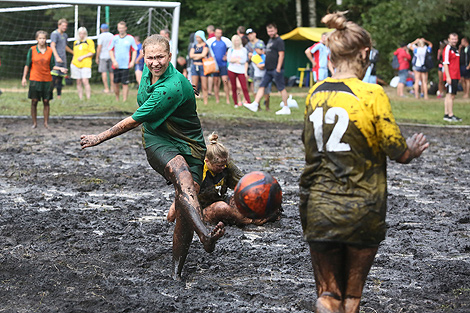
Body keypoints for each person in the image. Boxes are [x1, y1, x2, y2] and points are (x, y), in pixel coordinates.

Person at [299, 12, 429, 313]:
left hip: (320, 207)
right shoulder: (372, 93)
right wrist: (412, 149)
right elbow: (397, 151)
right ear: (365, 53)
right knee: (352, 298)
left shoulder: (314, 94)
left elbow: (310, 151)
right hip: (364, 209)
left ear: (330, 56)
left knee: (328, 295)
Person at [80, 34, 225, 279]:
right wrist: (98, 137)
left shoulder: (171, 86)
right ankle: (205, 234)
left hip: (192, 146)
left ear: (170, 57)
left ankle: (177, 271)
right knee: (183, 178)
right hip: (159, 140)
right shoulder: (154, 75)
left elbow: (134, 119)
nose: (155, 62)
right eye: (150, 57)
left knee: (184, 203)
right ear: (144, 57)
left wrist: (99, 137)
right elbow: (138, 119)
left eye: (160, 57)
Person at [167, 133, 280, 226]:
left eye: (224, 164)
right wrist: (171, 219)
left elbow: (246, 185)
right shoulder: (197, 172)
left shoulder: (227, 167)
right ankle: (251, 221)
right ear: (207, 161)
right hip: (202, 211)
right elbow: (181, 196)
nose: (223, 168)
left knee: (237, 200)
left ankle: (259, 216)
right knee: (221, 207)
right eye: (219, 165)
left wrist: (270, 201)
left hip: (221, 201)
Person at [21, 30, 67, 128]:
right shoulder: (32, 50)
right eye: (40, 38)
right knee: (34, 101)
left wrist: (60, 68)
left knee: (46, 101)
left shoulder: (50, 51)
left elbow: (52, 66)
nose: (42, 40)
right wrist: (24, 77)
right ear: (37, 39)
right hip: (34, 79)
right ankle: (34, 123)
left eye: (44, 38)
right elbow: (27, 65)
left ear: (46, 39)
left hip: (47, 80)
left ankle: (46, 123)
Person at [244, 23, 290, 115]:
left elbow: (281, 55)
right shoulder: (270, 40)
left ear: (276, 30)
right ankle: (255, 104)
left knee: (281, 88)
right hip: (268, 69)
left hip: (276, 69)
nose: (270, 33)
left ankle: (286, 107)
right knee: (262, 86)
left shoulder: (279, 41)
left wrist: (278, 68)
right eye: (269, 31)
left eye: (272, 31)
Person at [109, 21, 137, 102]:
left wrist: (132, 61)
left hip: (126, 65)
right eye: (119, 28)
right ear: (118, 29)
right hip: (116, 65)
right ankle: (117, 98)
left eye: (122, 28)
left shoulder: (130, 38)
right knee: (116, 83)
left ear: (125, 28)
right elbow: (110, 50)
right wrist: (114, 61)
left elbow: (134, 50)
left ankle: (124, 100)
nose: (121, 30)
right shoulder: (114, 38)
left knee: (125, 83)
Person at [206, 27, 232, 104]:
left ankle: (227, 99)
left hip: (223, 64)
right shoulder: (211, 41)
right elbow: (207, 49)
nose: (219, 34)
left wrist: (227, 55)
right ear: (215, 33)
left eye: (220, 33)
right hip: (215, 65)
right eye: (217, 33)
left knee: (225, 81)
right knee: (216, 81)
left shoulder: (225, 41)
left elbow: (231, 48)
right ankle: (217, 99)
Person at [50, 18, 73, 100]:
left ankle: (59, 96)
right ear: (59, 25)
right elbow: (52, 45)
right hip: (57, 59)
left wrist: (73, 52)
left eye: (66, 26)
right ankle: (50, 95)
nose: (65, 27)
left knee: (60, 79)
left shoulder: (65, 35)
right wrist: (56, 57)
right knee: (53, 78)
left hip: (63, 59)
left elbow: (65, 46)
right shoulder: (55, 34)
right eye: (63, 26)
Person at [71, 27, 95, 100]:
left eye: (83, 33)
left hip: (85, 63)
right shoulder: (76, 42)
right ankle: (80, 98)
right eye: (80, 33)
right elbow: (74, 53)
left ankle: (88, 97)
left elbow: (92, 52)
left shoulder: (89, 41)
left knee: (85, 80)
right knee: (78, 81)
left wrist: (83, 57)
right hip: (76, 63)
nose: (82, 35)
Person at [443, 33, 462, 122]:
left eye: (455, 39)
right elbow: (445, 63)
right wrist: (448, 77)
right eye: (452, 39)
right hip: (451, 75)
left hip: (456, 75)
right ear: (449, 39)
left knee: (451, 95)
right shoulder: (447, 49)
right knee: (450, 95)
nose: (454, 41)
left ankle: (446, 114)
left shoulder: (456, 49)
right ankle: (450, 115)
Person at [227, 35, 251, 107]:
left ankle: (248, 102)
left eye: (237, 40)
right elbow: (229, 60)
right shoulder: (230, 50)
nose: (236, 42)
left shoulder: (243, 50)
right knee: (234, 87)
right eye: (235, 41)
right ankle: (235, 102)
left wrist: (235, 60)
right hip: (232, 70)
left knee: (244, 87)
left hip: (241, 70)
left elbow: (244, 60)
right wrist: (237, 60)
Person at [189, 30, 210, 105]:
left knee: (204, 85)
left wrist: (196, 56)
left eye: (198, 37)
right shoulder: (194, 46)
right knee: (194, 85)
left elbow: (203, 54)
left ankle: (205, 101)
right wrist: (199, 55)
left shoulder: (205, 45)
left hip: (202, 66)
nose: (197, 39)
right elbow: (191, 55)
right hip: (194, 66)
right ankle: (193, 101)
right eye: (196, 37)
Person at [252, 41, 271, 110]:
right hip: (257, 77)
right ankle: (258, 107)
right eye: (260, 49)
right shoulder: (254, 57)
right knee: (256, 92)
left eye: (262, 49)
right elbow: (260, 66)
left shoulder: (264, 56)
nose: (262, 50)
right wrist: (267, 64)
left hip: (265, 76)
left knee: (267, 93)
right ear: (256, 49)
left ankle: (267, 107)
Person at [96, 23, 114, 94]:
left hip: (103, 56)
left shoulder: (101, 36)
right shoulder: (112, 35)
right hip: (111, 55)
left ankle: (106, 88)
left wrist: (97, 57)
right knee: (111, 72)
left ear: (101, 29)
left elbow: (99, 47)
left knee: (104, 72)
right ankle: (112, 88)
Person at [245, 28, 264, 93]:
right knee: (252, 82)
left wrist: (255, 54)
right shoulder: (247, 45)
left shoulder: (261, 42)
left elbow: (264, 53)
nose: (250, 36)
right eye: (248, 35)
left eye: (251, 34)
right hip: (252, 67)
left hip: (261, 66)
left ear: (254, 34)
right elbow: (246, 59)